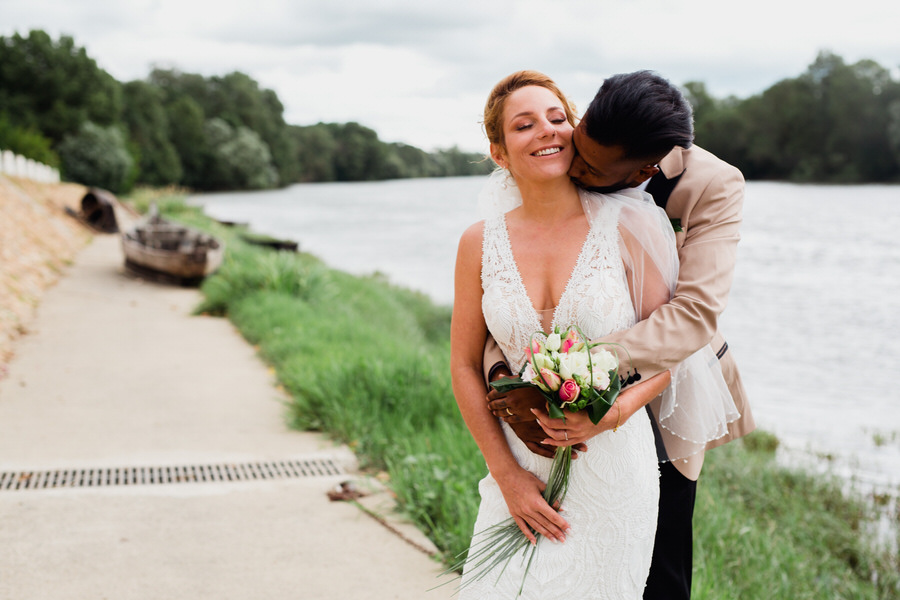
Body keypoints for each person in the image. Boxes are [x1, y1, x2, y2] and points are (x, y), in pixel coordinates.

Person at [485, 70, 757, 600]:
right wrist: (506, 370)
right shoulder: (565, 157)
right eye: (577, 141)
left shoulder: (712, 184)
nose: (573, 168)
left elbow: (696, 313)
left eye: (589, 166)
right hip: (552, 383)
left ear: (644, 170)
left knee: (661, 564)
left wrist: (580, 363)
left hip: (670, 382)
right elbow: (513, 288)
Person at [451, 70, 683, 599]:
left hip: (613, 469)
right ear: (499, 152)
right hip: (520, 467)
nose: (547, 132)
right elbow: (464, 365)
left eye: (558, 119)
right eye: (524, 125)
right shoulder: (477, 243)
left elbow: (666, 360)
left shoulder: (631, 228)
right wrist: (505, 475)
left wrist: (610, 415)